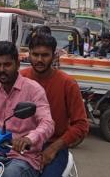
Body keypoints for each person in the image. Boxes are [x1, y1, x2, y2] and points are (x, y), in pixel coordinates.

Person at [0, 41, 54, 177]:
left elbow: (47, 124)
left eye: (7, 64)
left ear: (17, 65)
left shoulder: (34, 90)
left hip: (24, 158)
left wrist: (28, 139)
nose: (2, 69)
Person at [21, 34, 89, 177]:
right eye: (35, 54)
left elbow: (81, 125)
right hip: (20, 143)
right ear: (29, 54)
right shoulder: (20, 78)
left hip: (53, 145)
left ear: (54, 55)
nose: (39, 60)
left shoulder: (67, 84)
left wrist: (54, 148)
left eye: (45, 55)